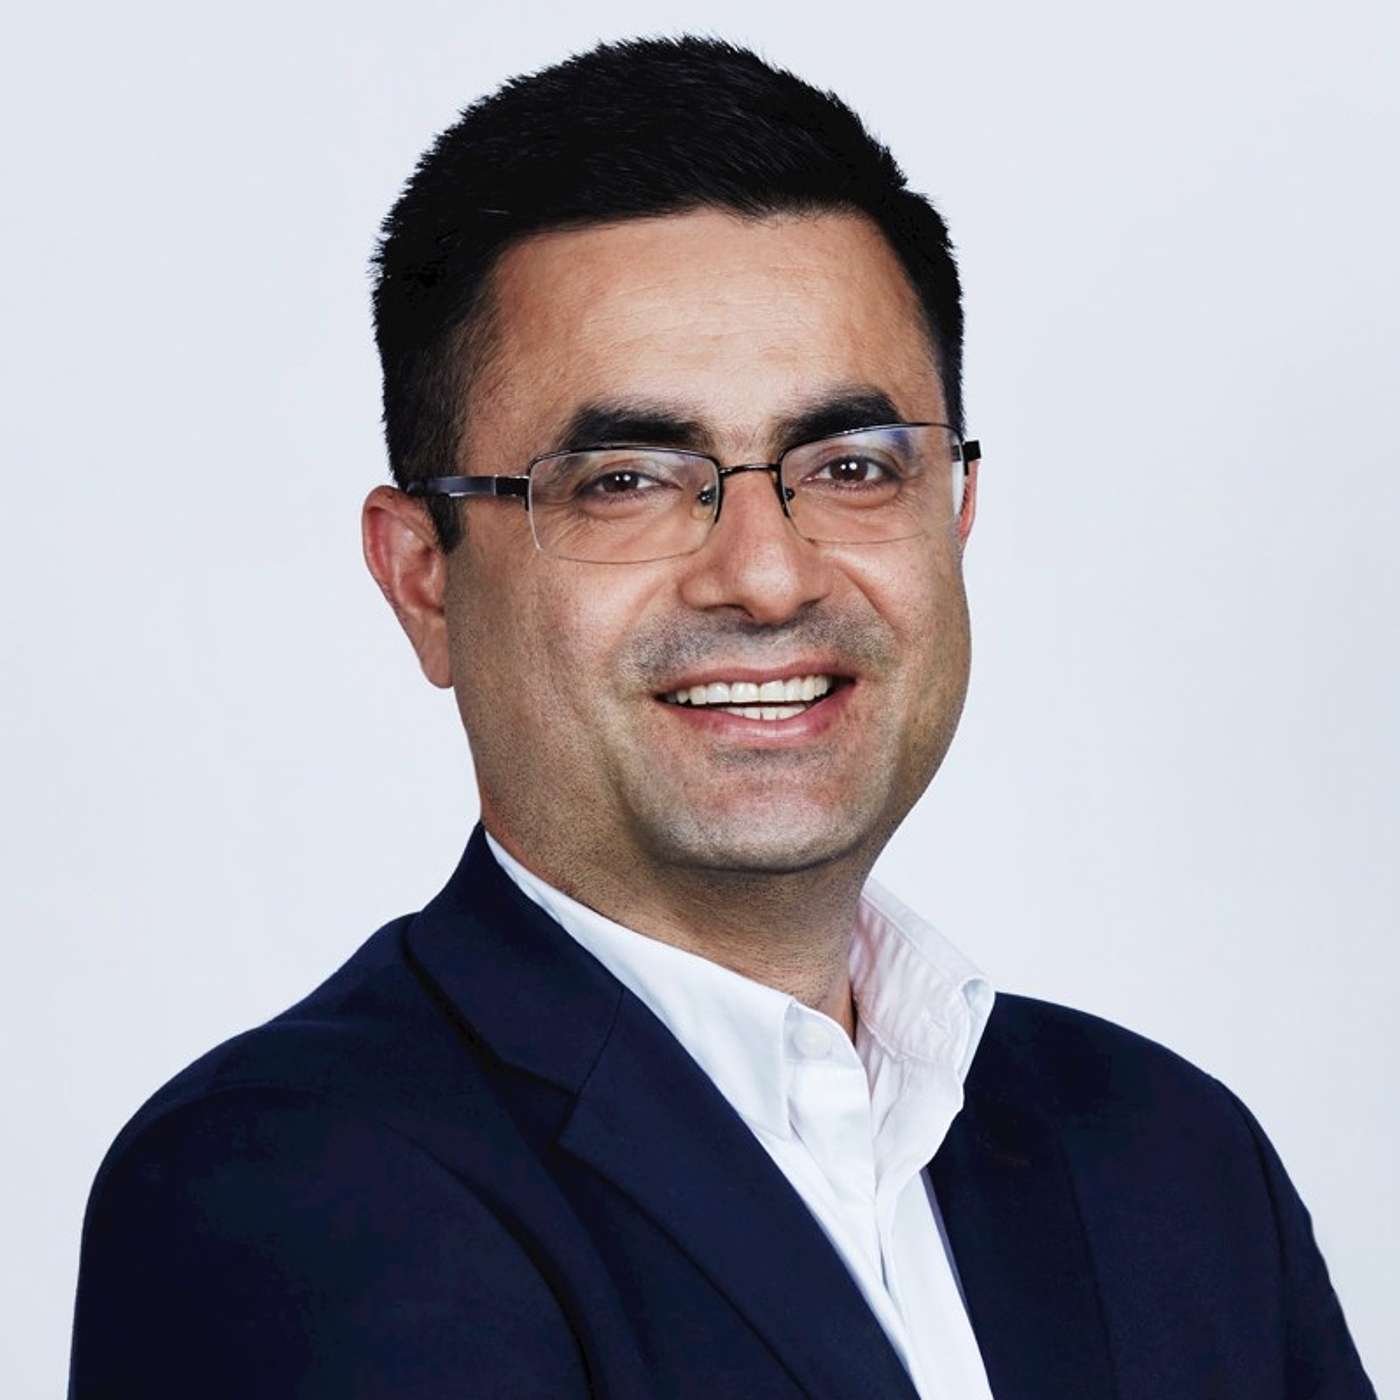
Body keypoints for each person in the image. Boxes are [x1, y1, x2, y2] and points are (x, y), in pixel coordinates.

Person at [67, 35, 1375, 1400]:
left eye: (852, 467)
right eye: (626, 479)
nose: (767, 573)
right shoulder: (289, 1192)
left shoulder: (1172, 1161)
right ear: (423, 579)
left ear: (956, 518)